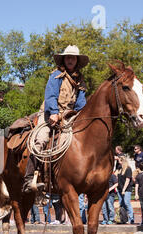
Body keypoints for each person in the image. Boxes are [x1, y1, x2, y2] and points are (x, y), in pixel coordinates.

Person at [23, 45, 89, 192]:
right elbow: (50, 95)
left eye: (73, 58)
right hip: (49, 114)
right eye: (68, 57)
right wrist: (53, 112)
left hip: (69, 116)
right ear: (64, 59)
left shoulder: (80, 80)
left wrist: (81, 115)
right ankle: (29, 179)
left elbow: (81, 103)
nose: (70, 60)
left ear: (77, 61)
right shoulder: (56, 75)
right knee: (40, 139)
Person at [117, 156, 135, 224]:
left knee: (127, 203)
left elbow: (127, 180)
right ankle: (123, 218)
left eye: (119, 161)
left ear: (122, 161)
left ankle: (131, 218)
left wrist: (124, 190)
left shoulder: (128, 169)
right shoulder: (120, 169)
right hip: (120, 189)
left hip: (127, 189)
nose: (119, 162)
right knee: (122, 204)